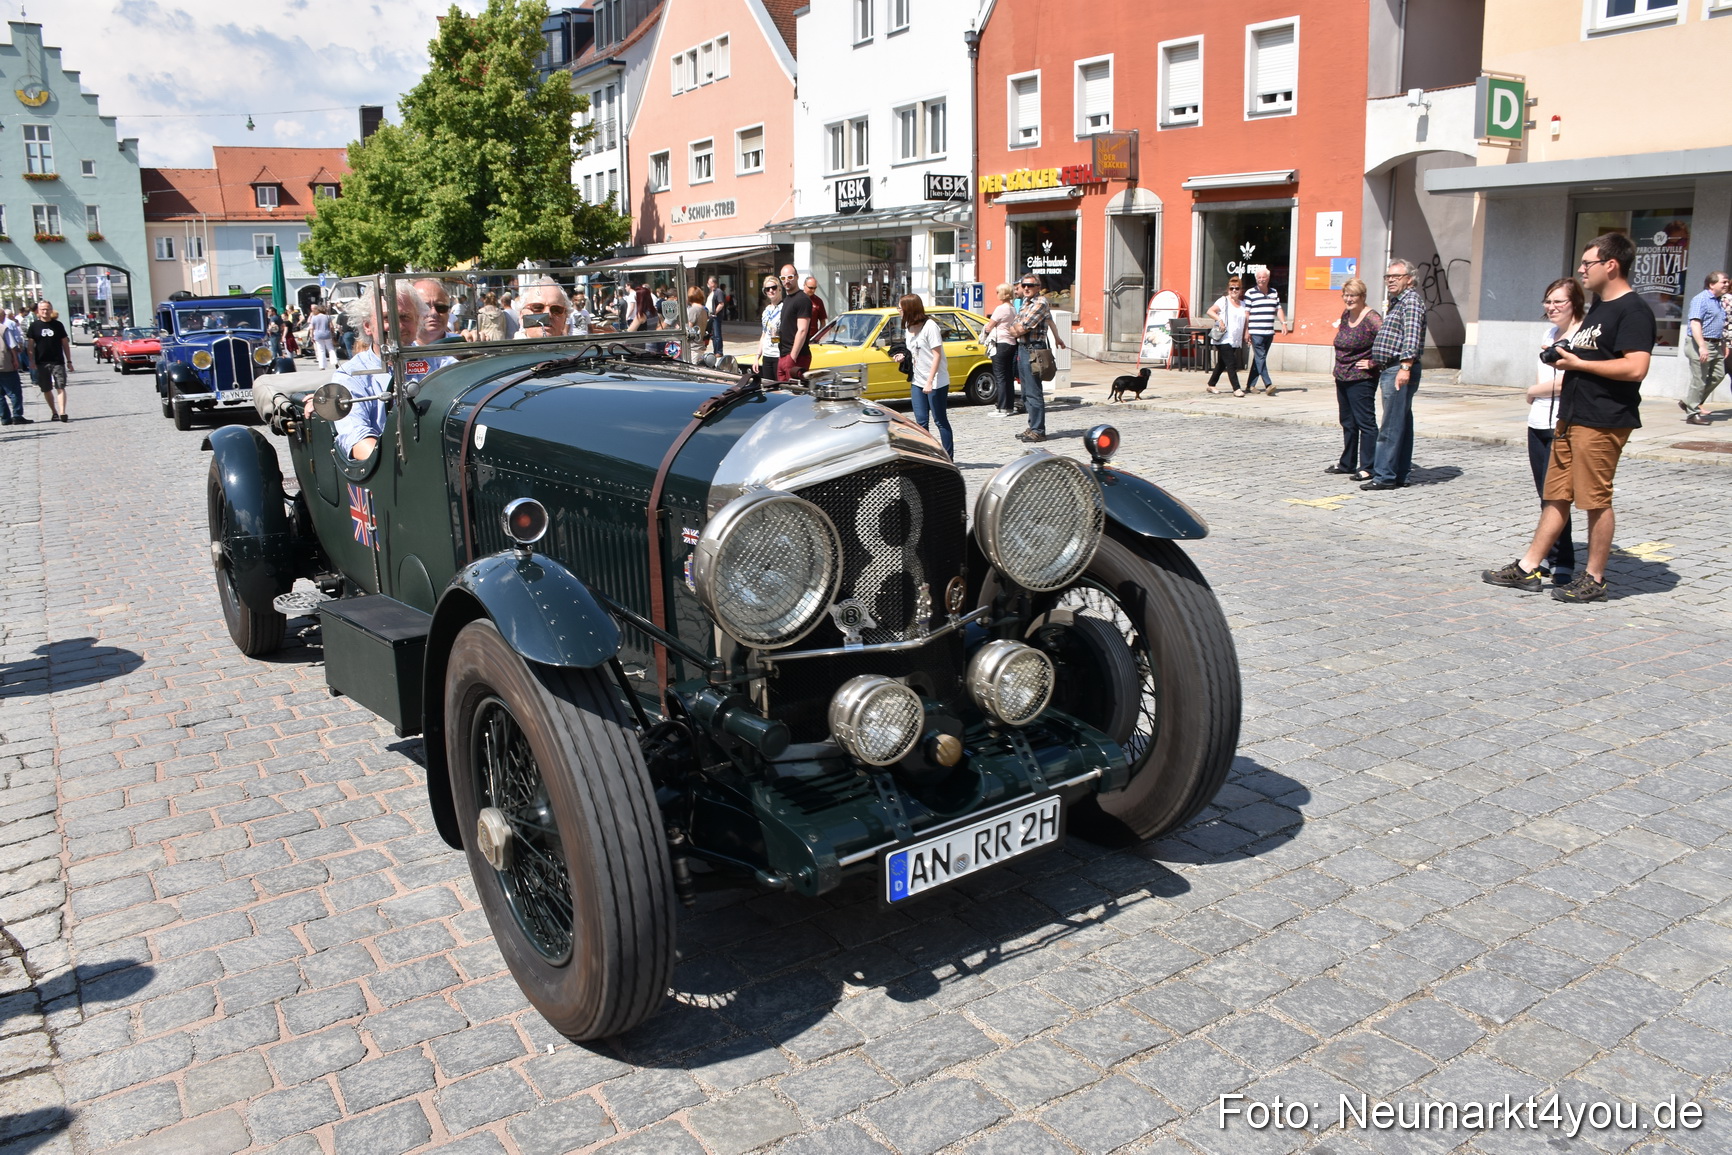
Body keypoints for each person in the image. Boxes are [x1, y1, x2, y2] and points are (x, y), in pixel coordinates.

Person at [1482, 232, 1654, 604]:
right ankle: (1528, 569)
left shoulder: (1633, 309)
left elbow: (1637, 367)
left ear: (1611, 265)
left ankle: (1595, 578)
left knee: (1594, 499)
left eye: (1587, 262)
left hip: (1604, 418)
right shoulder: (1599, 308)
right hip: (1571, 415)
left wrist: (1578, 363)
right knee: (1555, 495)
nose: (1581, 269)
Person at [311, 284, 428, 460]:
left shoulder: (439, 362)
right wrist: (403, 464)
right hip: (392, 471)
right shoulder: (351, 375)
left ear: (417, 321)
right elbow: (356, 437)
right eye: (387, 318)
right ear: (367, 326)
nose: (398, 326)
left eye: (405, 317)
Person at [1522, 277, 1586, 587]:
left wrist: (1534, 389)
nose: (1552, 307)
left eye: (1559, 301)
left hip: (1563, 422)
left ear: (1575, 303)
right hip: (1537, 421)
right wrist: (1537, 395)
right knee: (1544, 495)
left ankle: (1564, 561)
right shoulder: (1549, 333)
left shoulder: (1582, 335)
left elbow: (1569, 380)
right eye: (1548, 301)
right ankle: (1548, 556)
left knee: (1557, 496)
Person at [1358, 259, 1428, 491]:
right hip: (1390, 367)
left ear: (1409, 279)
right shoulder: (1398, 301)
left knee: (1390, 426)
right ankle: (1399, 473)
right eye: (1388, 277)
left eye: (1395, 277)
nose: (1390, 281)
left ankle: (1384, 475)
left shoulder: (1411, 301)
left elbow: (1412, 336)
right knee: (1401, 423)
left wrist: (1405, 368)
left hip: (1399, 368)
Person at [1326, 278, 1381, 480]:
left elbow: (1388, 341)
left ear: (1363, 297)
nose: (1348, 299)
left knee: (1365, 423)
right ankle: (1347, 463)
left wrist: (1374, 362)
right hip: (1342, 375)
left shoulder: (1372, 318)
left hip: (1361, 378)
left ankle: (1368, 466)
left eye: (1353, 295)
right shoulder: (1346, 315)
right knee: (1348, 422)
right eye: (1346, 295)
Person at [1010, 276, 1065, 442]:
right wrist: (1057, 337)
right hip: (1023, 348)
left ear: (1038, 286)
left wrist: (1016, 330)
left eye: (1030, 285)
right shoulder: (1026, 303)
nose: (1026, 288)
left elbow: (1021, 327)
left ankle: (1038, 430)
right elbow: (1016, 325)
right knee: (1026, 392)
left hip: (1033, 350)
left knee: (1034, 392)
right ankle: (1032, 426)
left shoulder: (1040, 302)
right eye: (1023, 285)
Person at [1681, 271, 1728, 425]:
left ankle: (1689, 401)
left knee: (1718, 375)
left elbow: (1716, 324)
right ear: (1711, 284)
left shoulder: (1718, 301)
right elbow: (1695, 323)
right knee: (1699, 380)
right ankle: (1692, 414)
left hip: (1715, 345)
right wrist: (1702, 346)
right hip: (1700, 344)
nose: (1727, 285)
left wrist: (1722, 343)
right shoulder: (1701, 299)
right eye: (1724, 282)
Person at [1242, 265, 1291, 396]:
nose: (1261, 280)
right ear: (1256, 278)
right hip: (1256, 331)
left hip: (1269, 332)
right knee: (1261, 357)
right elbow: (1246, 314)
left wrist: (1284, 323)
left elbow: (1278, 309)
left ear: (1268, 278)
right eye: (1259, 277)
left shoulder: (1274, 292)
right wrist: (1246, 331)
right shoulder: (1250, 293)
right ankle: (1268, 384)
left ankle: (1250, 385)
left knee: (1259, 359)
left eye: (1263, 277)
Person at [25, 300, 72, 422]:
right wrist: (31, 360)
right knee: (46, 388)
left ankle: (62, 412)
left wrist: (69, 360)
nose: (45, 311)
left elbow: (65, 343)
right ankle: (54, 411)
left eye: (47, 309)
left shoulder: (58, 325)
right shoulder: (34, 326)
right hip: (41, 362)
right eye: (42, 309)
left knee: (60, 386)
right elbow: (30, 345)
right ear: (38, 312)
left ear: (51, 310)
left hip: (57, 361)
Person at [1205, 278, 1248, 396]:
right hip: (1224, 338)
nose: (1234, 291)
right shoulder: (1223, 301)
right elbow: (1210, 311)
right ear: (1228, 290)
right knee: (1231, 362)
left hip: (1235, 338)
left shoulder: (1243, 305)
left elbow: (1245, 321)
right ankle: (1236, 388)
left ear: (1240, 290)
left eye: (1237, 288)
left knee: (1222, 363)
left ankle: (1211, 384)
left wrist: (1246, 333)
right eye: (1231, 288)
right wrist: (1220, 320)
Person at [985, 283, 1021, 418]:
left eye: (998, 292)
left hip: (1001, 343)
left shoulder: (1001, 309)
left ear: (1004, 294)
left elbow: (989, 326)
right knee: (1007, 376)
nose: (996, 294)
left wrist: (986, 330)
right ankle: (1009, 406)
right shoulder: (1013, 309)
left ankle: (1002, 407)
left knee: (1000, 376)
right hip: (1011, 343)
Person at [776, 264, 813, 382]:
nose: (786, 281)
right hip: (783, 355)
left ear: (797, 277)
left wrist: (792, 357)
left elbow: (802, 330)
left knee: (795, 395)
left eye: (790, 277)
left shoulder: (802, 299)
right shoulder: (786, 300)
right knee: (784, 396)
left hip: (797, 357)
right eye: (783, 278)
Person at [413, 278, 464, 344]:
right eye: (425, 307)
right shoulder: (400, 348)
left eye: (440, 307)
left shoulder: (462, 344)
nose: (434, 313)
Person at [0, 307, 27, 426]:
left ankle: (5, 417)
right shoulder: (3, 328)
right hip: (5, 363)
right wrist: (15, 360)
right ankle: (17, 415)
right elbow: (12, 345)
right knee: (14, 391)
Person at [754, 276, 783, 378]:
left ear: (779, 288)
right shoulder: (766, 310)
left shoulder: (784, 308)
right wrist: (757, 357)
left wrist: (776, 336)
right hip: (767, 355)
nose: (771, 291)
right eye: (767, 289)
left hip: (779, 355)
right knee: (767, 387)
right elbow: (764, 334)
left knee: (779, 389)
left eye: (773, 288)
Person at [684, 287, 707, 363]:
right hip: (700, 345)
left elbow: (688, 329)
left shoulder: (693, 310)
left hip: (693, 347)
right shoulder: (703, 310)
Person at [705, 276, 726, 357]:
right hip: (711, 316)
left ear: (713, 283)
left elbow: (721, 304)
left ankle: (719, 351)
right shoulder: (712, 292)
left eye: (709, 282)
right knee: (713, 335)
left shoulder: (718, 292)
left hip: (715, 316)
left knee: (717, 334)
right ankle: (715, 351)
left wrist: (714, 312)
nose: (708, 284)